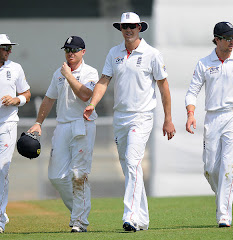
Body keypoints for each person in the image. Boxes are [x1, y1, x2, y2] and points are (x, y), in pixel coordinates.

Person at [83, 12, 176, 232]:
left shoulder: (152, 54)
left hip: (142, 116)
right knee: (130, 169)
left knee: (133, 163)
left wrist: (168, 119)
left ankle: (130, 216)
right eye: (124, 26)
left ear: (140, 28)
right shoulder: (114, 53)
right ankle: (142, 219)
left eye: (132, 26)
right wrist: (92, 104)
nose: (128, 29)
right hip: (121, 117)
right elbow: (104, 81)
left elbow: (164, 86)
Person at [185, 22, 233, 227]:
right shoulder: (204, 63)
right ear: (216, 39)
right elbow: (192, 91)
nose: (231, 42)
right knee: (209, 168)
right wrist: (191, 114)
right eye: (227, 38)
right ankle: (223, 197)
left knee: (229, 166)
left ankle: (224, 215)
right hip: (212, 117)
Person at [28, 36, 98, 232]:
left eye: (74, 50)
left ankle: (79, 221)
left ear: (83, 51)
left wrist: (69, 75)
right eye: (67, 50)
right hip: (63, 125)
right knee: (56, 177)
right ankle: (78, 211)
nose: (70, 53)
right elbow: (49, 99)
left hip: (83, 125)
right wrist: (38, 123)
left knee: (79, 174)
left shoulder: (90, 72)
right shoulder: (58, 74)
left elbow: (85, 95)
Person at [0, 34, 31, 234]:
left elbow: (27, 94)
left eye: (10, 48)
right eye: (6, 48)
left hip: (7, 125)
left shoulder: (15, 68)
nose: (9, 51)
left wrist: (16, 100)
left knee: (1, 170)